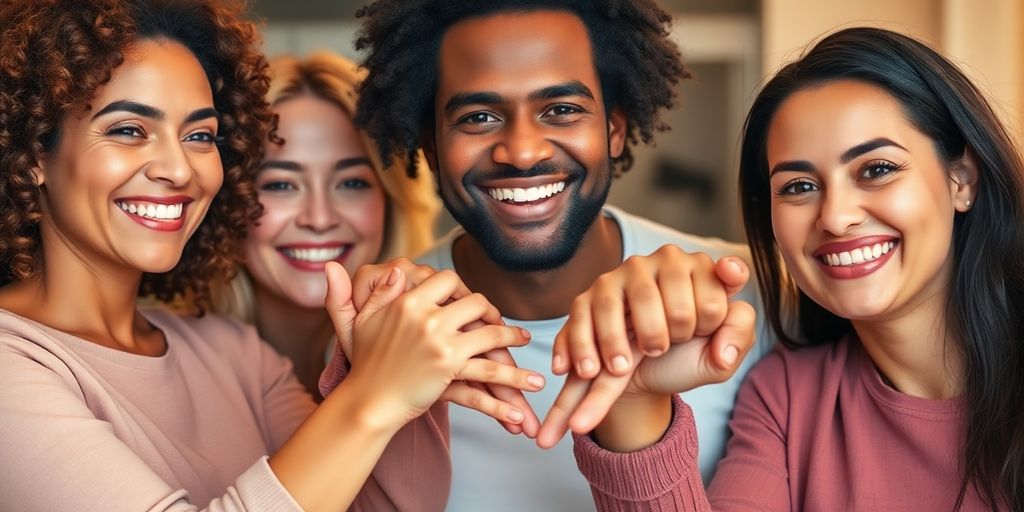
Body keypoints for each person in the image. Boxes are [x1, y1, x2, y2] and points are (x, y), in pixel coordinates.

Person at [0, 1, 543, 510]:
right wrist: (376, 393)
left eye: (199, 135)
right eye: (127, 130)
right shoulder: (14, 364)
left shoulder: (235, 354)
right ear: (31, 155)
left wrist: (391, 368)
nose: (180, 169)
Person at [332, 1, 771, 509]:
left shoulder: (746, 301)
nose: (522, 151)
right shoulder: (382, 332)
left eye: (560, 110)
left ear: (614, 129)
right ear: (431, 147)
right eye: (479, 117)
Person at [563, 27, 1024, 510]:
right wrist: (633, 395)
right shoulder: (785, 397)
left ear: (961, 180)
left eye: (877, 169)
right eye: (799, 186)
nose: (836, 217)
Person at [212, 52, 441, 399]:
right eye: (280, 185)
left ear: (391, 200)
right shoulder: (169, 357)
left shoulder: (444, 348)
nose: (319, 219)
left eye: (350, 183)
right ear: (228, 201)